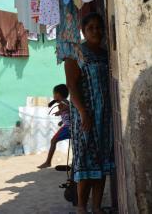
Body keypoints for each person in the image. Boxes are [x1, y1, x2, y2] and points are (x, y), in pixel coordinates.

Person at [64, 13, 114, 214]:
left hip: (105, 118)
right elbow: (71, 86)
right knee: (85, 163)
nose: (96, 31)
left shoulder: (105, 54)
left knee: (101, 163)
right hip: (85, 118)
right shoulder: (76, 55)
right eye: (91, 28)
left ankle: (97, 207)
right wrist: (84, 112)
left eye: (98, 27)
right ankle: (82, 208)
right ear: (83, 31)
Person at [38, 84, 70, 169]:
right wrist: (61, 121)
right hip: (70, 126)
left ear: (58, 95)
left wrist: (60, 112)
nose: (53, 96)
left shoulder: (63, 103)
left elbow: (69, 107)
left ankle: (48, 162)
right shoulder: (64, 102)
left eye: (54, 94)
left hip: (68, 127)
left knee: (53, 140)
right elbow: (69, 114)